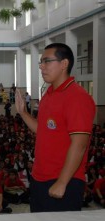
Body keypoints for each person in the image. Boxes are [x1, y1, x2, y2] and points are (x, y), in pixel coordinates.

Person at [15, 43, 96, 212]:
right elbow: (42, 131)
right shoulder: (49, 94)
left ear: (64, 64)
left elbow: (79, 145)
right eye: (41, 62)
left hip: (63, 180)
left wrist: (62, 182)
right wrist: (23, 113)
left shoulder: (77, 97)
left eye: (47, 61)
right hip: (40, 178)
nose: (41, 67)